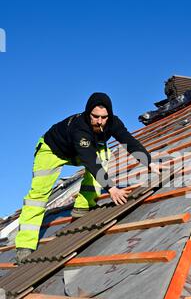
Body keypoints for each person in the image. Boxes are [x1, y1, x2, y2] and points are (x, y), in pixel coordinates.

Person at [15, 92, 161, 264]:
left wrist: (148, 162)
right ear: (87, 113)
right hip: (52, 150)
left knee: (104, 155)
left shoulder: (113, 123)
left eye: (104, 117)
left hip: (78, 151)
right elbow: (90, 160)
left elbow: (128, 141)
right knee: (38, 196)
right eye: (95, 117)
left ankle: (83, 207)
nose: (99, 121)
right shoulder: (80, 127)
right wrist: (112, 188)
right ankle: (25, 245)